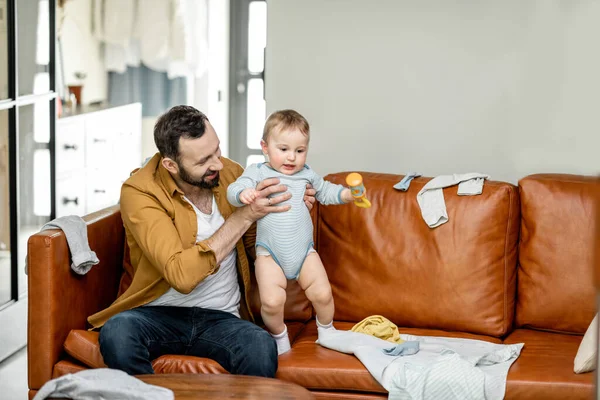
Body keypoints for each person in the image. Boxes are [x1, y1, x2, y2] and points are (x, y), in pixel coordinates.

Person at [88, 105, 317, 377]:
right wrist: (243, 217)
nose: (218, 164)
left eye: (216, 150)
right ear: (170, 165)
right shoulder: (140, 191)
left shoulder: (231, 173)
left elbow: (262, 248)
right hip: (157, 314)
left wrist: (290, 210)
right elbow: (181, 276)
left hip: (223, 317)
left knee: (259, 345)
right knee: (118, 333)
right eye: (203, 161)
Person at [226, 109, 354, 355]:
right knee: (272, 302)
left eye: (299, 150)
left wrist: (347, 194)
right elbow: (235, 188)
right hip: (269, 254)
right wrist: (243, 194)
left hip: (305, 252)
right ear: (265, 147)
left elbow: (326, 191)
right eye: (283, 149)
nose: (292, 158)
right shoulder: (258, 172)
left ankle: (327, 330)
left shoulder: (307, 174)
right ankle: (279, 335)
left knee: (324, 295)